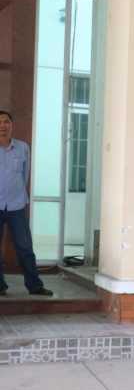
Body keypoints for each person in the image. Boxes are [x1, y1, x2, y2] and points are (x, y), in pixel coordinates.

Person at [0, 110, 52, 297]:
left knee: (25, 248)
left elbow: (24, 175)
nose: (2, 125)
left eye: (6, 122)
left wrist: (18, 195)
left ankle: (35, 286)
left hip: (16, 206)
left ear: (12, 125)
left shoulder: (23, 148)